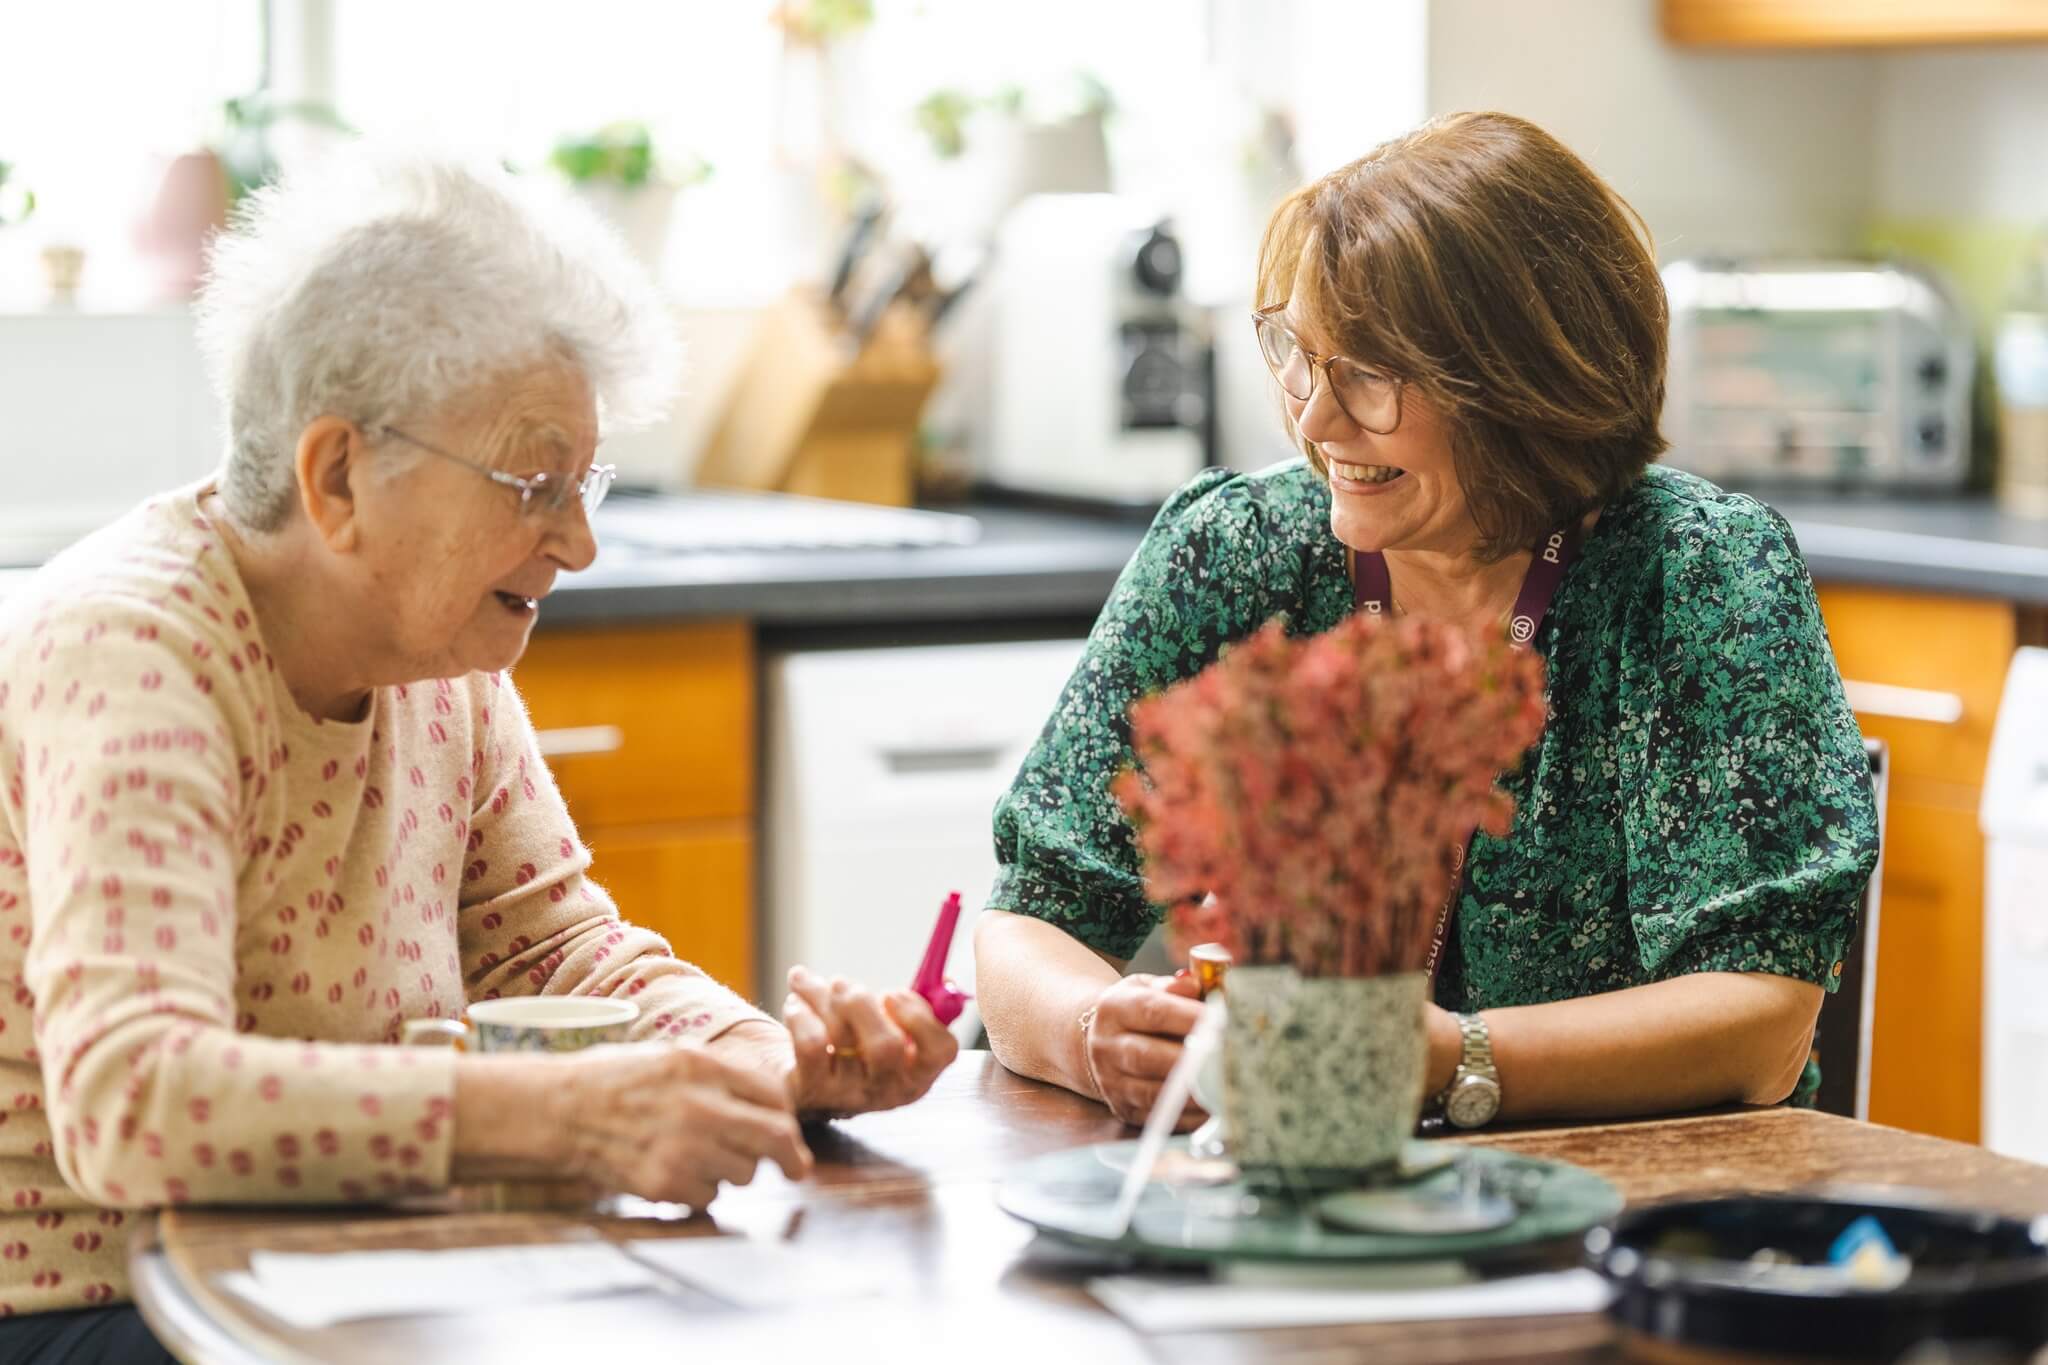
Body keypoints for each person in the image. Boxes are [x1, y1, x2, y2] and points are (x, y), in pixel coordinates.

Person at [0, 151, 955, 1356]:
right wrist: (562, 1121)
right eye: (533, 482)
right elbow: (129, 1103)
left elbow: (556, 951)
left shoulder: (439, 654)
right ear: (338, 476)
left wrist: (761, 1064)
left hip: (326, 1260)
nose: (580, 543)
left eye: (584, 480)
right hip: (92, 1305)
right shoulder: (135, 650)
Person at [976, 111, 1878, 1135]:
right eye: (1295, 353)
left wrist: (1448, 1059)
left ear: (1528, 384)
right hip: (1291, 1198)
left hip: (1635, 1208)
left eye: (1366, 373)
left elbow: (1757, 1031)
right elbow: (1026, 921)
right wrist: (1090, 1027)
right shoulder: (1233, 552)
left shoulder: (1695, 577)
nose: (1313, 421)